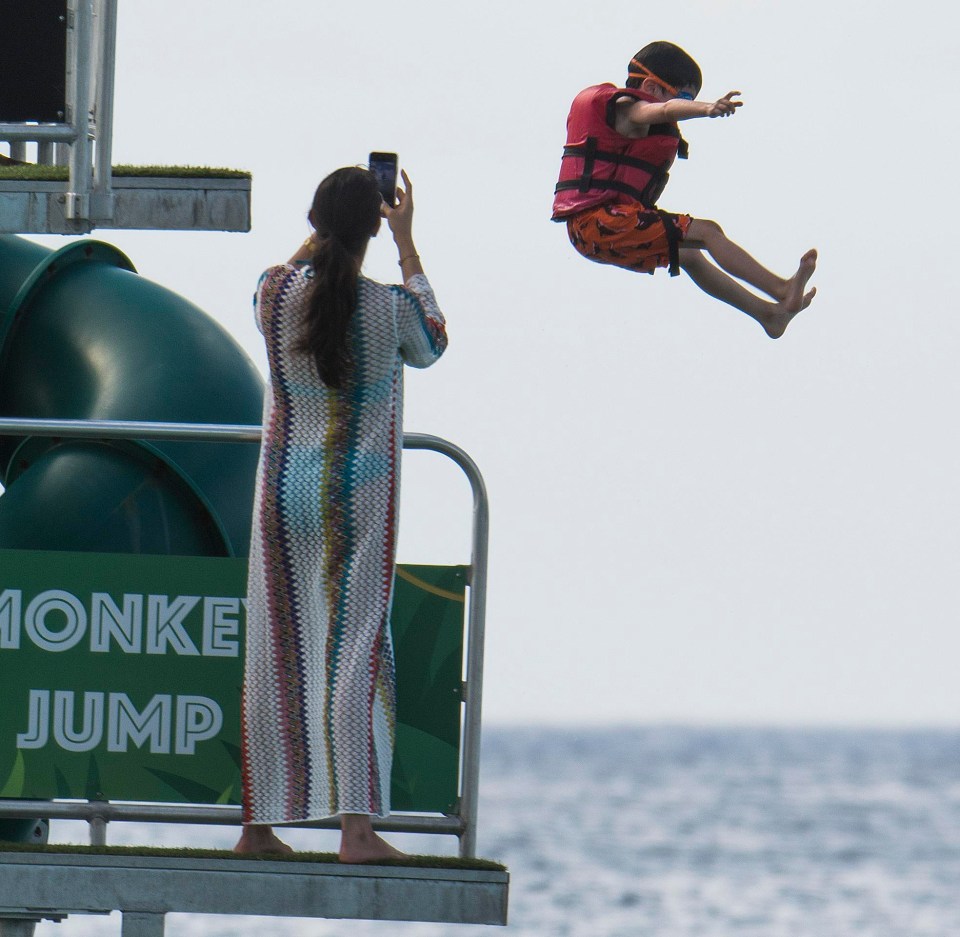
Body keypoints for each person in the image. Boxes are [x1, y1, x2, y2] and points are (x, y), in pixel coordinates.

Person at [234, 166, 447, 862]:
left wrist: (321, 236)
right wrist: (407, 244)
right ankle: (356, 830)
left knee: (275, 653)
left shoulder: (276, 292)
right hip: (357, 499)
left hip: (282, 495)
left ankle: (257, 827)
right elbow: (435, 338)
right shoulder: (387, 306)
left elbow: (281, 274)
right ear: (375, 225)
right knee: (354, 657)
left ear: (314, 221)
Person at [552, 40, 817, 339]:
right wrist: (706, 108)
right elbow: (663, 110)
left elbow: (665, 108)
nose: (683, 107)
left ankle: (769, 315)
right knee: (707, 232)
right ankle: (780, 288)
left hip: (596, 231)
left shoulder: (630, 118)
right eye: (684, 97)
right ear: (652, 87)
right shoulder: (628, 109)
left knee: (689, 255)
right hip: (598, 223)